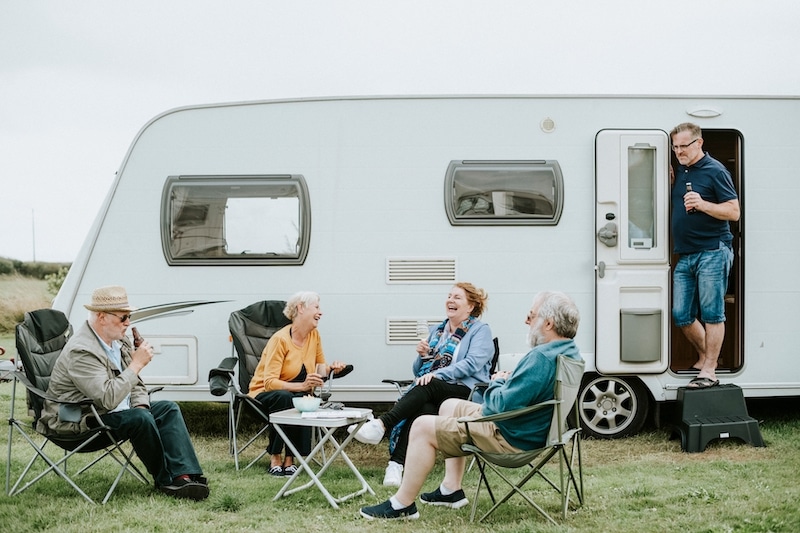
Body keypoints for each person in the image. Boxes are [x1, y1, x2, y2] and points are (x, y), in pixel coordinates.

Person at [359, 290, 582, 520]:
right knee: (448, 406)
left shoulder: (540, 358)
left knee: (421, 426)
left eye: (531, 315)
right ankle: (450, 490)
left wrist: (496, 382)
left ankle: (401, 505)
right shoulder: (569, 351)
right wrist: (507, 381)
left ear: (548, 323)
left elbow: (499, 405)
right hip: (524, 427)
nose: (526, 320)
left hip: (508, 435)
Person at [39, 286, 209, 500]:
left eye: (129, 316)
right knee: (139, 419)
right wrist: (136, 364)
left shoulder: (120, 341)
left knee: (167, 408)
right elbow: (108, 398)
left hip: (113, 411)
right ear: (102, 317)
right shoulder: (81, 350)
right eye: (123, 317)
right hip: (79, 421)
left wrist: (140, 404)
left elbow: (135, 385)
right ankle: (167, 481)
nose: (128, 322)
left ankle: (186, 475)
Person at [349, 282, 494, 487]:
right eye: (449, 295)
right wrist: (422, 355)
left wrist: (438, 375)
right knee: (424, 409)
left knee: (428, 385)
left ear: (470, 306)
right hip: (435, 392)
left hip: (467, 392)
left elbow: (472, 364)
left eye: (457, 297)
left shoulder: (480, 331)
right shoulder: (438, 330)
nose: (450, 300)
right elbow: (419, 371)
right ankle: (396, 465)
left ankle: (382, 424)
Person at [248, 291, 348, 477]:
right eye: (317, 307)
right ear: (301, 308)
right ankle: (275, 456)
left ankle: (292, 458)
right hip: (264, 395)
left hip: (295, 393)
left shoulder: (314, 336)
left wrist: (332, 369)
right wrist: (302, 387)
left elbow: (319, 370)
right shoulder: (280, 339)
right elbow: (269, 383)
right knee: (287, 397)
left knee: (303, 399)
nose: (321, 312)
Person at [670, 123, 740, 389]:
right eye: (675, 147)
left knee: (712, 313)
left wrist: (702, 204)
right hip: (686, 255)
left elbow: (734, 212)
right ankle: (707, 357)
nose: (678, 152)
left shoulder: (716, 171)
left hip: (713, 250)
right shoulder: (680, 169)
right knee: (681, 314)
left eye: (683, 146)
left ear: (699, 143)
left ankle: (709, 370)